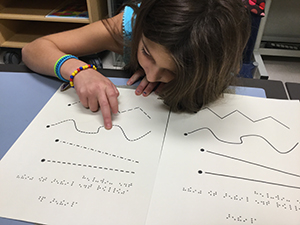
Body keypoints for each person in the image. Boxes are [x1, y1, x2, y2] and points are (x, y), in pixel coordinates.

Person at [22, 0, 251, 130]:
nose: (151, 76)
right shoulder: (128, 26)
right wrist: (79, 71)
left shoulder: (216, 48)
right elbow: (33, 49)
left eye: (171, 70)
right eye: (146, 53)